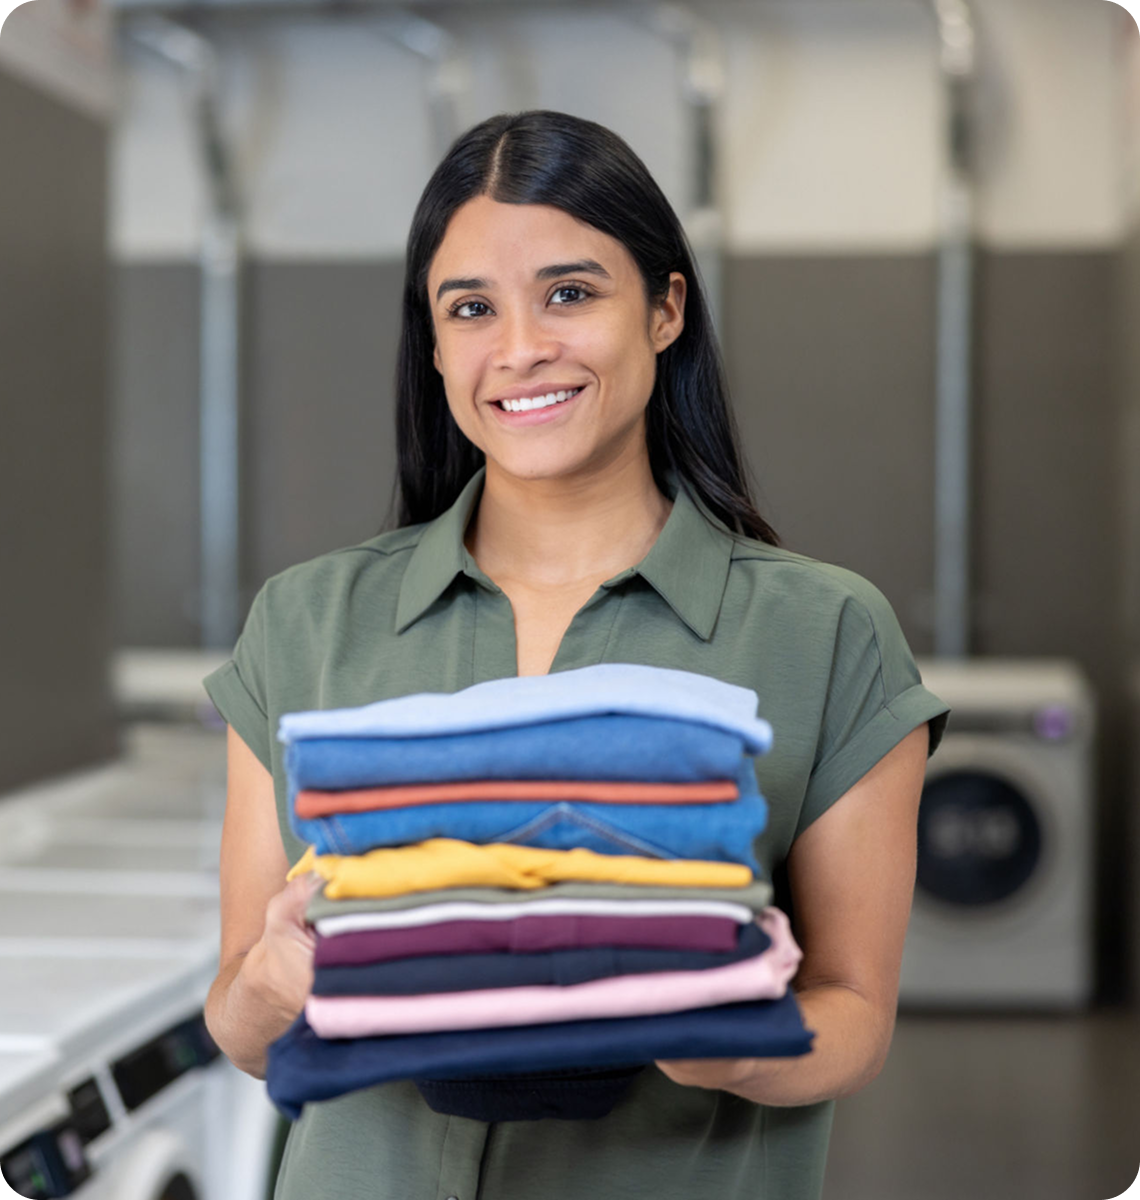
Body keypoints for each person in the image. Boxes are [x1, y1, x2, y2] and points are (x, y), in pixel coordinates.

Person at [202, 109, 949, 1200]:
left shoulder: (826, 634)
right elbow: (240, 1024)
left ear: (663, 310)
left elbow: (854, 1018)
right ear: (435, 340)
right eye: (471, 308)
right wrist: (274, 980)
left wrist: (724, 1034)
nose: (519, 349)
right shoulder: (306, 622)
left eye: (569, 292)